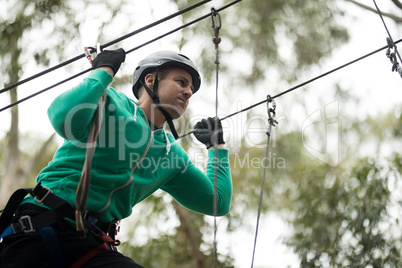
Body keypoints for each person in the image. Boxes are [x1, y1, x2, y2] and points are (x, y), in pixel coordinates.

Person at [0, 49, 232, 267]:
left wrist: (216, 146)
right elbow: (62, 117)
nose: (188, 92)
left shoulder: (172, 155)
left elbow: (217, 201)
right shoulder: (109, 102)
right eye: (181, 82)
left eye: (190, 88)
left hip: (90, 245)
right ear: (151, 80)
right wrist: (102, 72)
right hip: (40, 225)